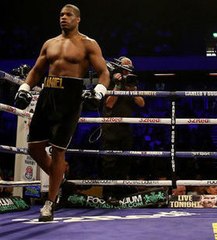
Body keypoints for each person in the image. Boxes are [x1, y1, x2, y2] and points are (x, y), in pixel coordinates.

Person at [13, 4, 110, 221]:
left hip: (71, 97)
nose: (63, 18)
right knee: (34, 148)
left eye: (68, 15)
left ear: (78, 20)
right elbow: (37, 70)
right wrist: (24, 88)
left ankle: (49, 202)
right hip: (48, 94)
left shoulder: (88, 44)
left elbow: (104, 72)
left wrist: (99, 91)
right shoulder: (50, 43)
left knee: (58, 151)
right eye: (61, 15)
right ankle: (60, 179)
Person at [101, 56, 145, 200]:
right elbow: (109, 104)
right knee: (110, 162)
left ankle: (119, 192)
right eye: (126, 67)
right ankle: (108, 193)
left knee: (124, 161)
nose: (128, 70)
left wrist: (131, 90)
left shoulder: (131, 81)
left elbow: (141, 103)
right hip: (111, 127)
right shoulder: (109, 81)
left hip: (126, 127)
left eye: (130, 67)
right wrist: (118, 86)